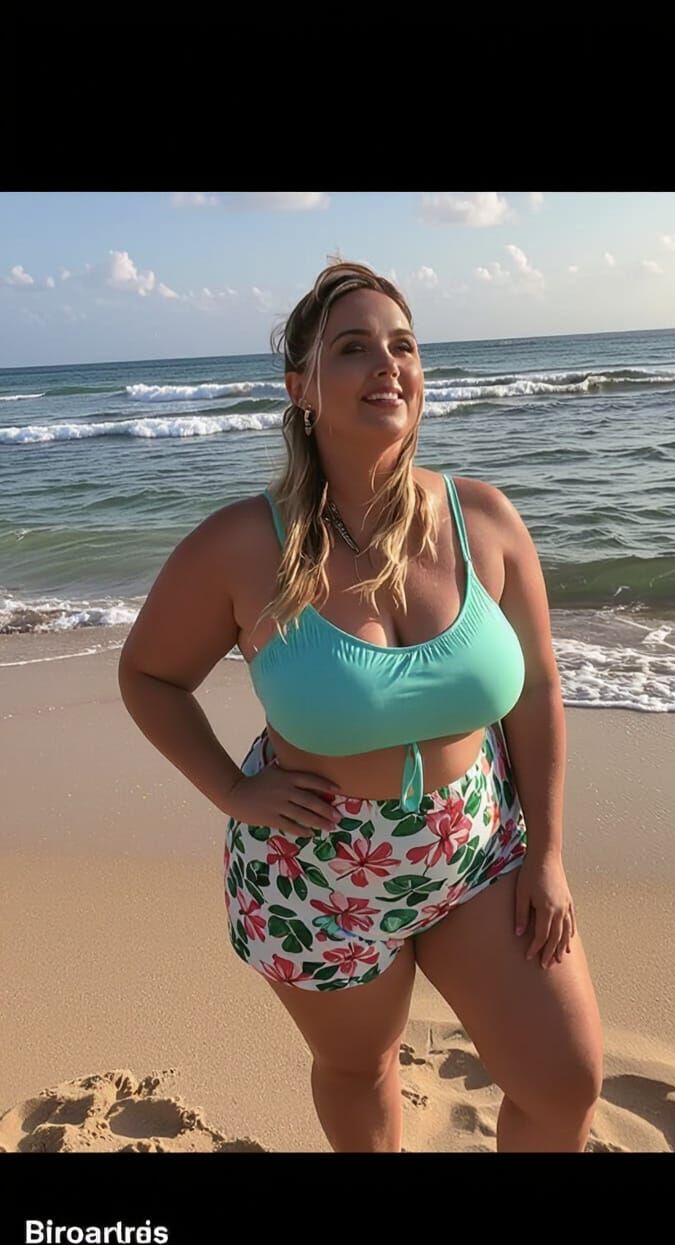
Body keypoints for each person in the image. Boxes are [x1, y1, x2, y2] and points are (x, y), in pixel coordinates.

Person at [118, 259, 603, 1154]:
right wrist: (233, 790)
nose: (388, 364)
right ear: (301, 387)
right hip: (317, 876)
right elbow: (147, 677)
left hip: (479, 851)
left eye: (403, 346)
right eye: (354, 347)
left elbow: (536, 686)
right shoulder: (241, 547)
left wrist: (550, 852)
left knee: (566, 1078)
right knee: (360, 1068)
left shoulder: (484, 521)